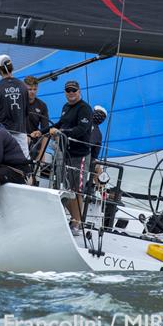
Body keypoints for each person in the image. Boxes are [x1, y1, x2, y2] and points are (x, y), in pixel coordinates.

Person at [49, 79, 93, 236]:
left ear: (79, 91)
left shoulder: (85, 109)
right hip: (65, 153)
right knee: (66, 189)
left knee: (76, 190)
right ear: (65, 92)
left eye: (74, 90)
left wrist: (61, 133)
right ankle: (75, 219)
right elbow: (60, 123)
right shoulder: (66, 107)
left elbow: (81, 129)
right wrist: (42, 132)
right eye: (68, 90)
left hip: (79, 155)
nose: (71, 93)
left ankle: (77, 223)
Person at [0, 54, 29, 158]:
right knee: (24, 163)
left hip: (3, 133)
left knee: (3, 161)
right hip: (21, 132)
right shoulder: (23, 86)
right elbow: (26, 111)